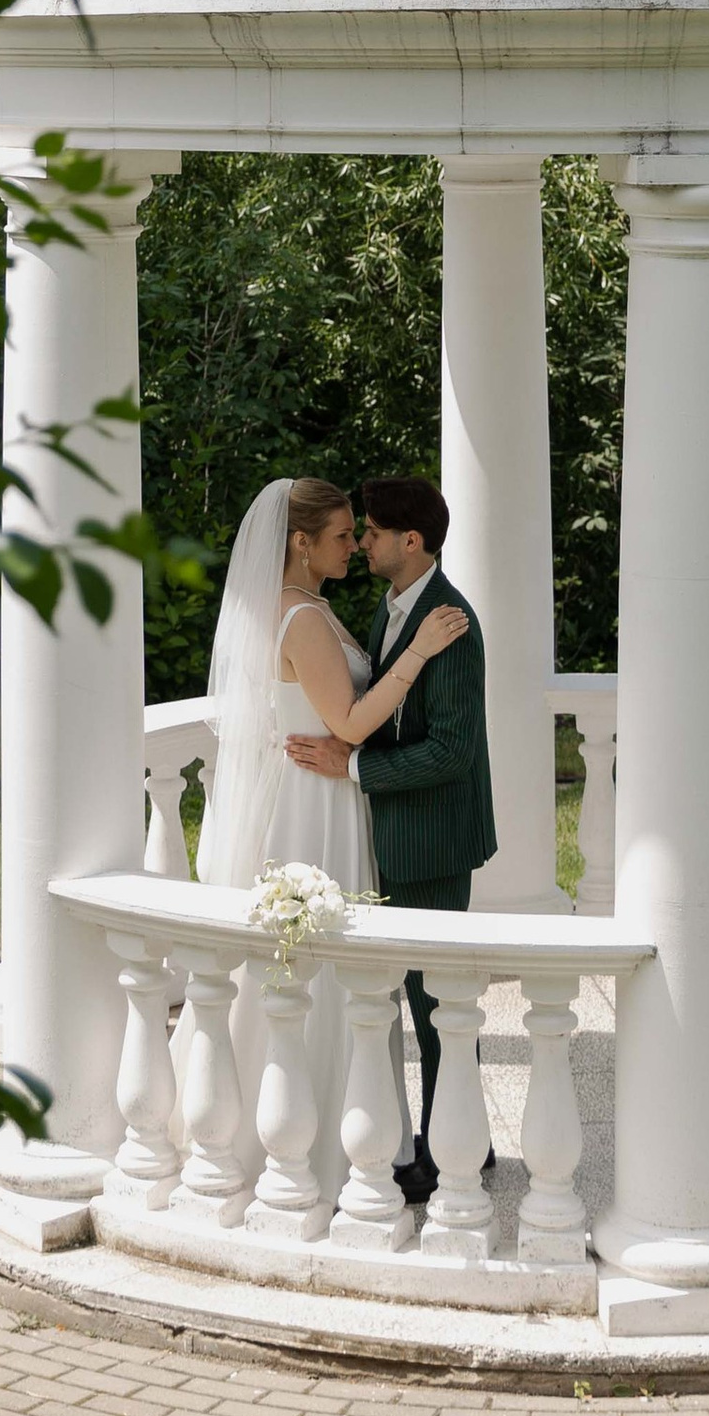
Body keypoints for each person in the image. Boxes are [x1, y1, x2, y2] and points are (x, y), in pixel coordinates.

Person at [200, 476, 467, 1213]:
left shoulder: (308, 609)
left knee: (331, 971)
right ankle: (318, 1135)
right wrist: (417, 653)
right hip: (317, 808)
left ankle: (353, 1127)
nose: (356, 543)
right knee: (324, 974)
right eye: (345, 534)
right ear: (301, 543)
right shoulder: (302, 620)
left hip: (327, 798)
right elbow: (348, 724)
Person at [283, 472, 495, 1204]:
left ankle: (452, 1155)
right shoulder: (388, 609)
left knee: (436, 1004)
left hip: (434, 838)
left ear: (411, 541)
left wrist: (356, 767)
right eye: (355, 532)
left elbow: (452, 753)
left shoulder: (452, 623)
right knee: (406, 998)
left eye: (370, 532)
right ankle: (458, 1135)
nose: (363, 541)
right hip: (389, 834)